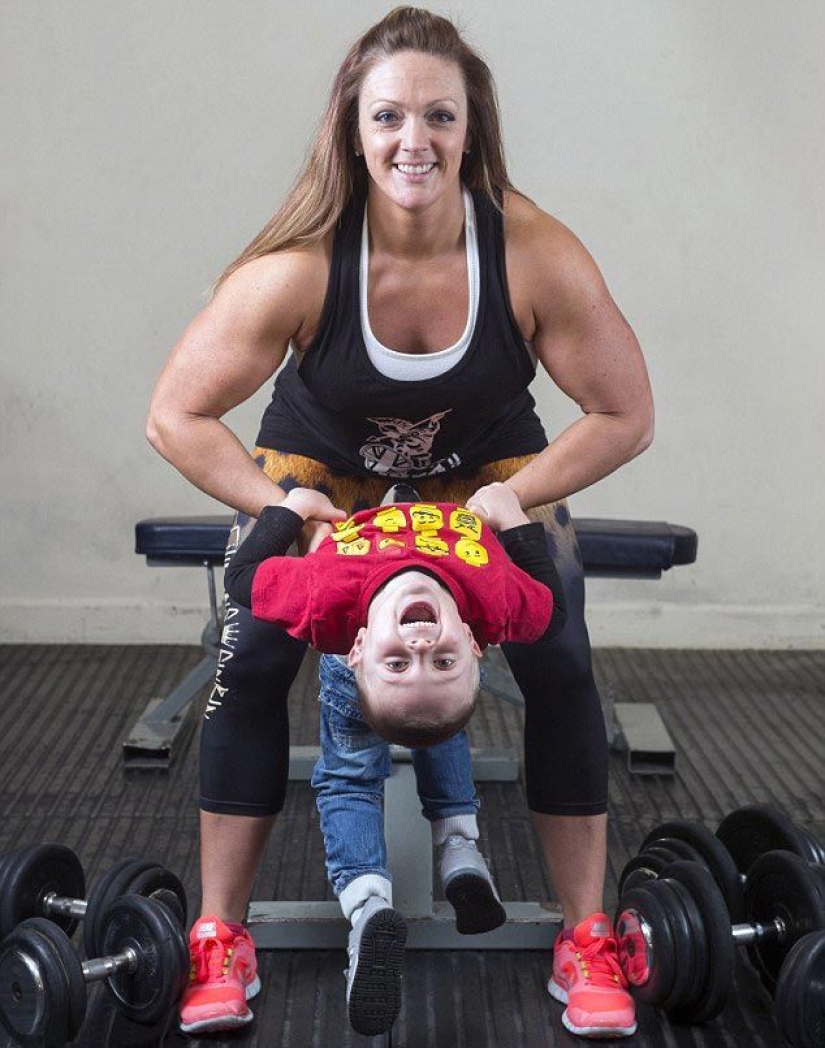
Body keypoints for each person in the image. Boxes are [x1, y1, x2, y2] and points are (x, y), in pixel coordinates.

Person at [146, 6, 654, 1039]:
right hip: (321, 469)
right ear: (352, 128)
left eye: (438, 115)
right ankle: (218, 936)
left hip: (491, 467)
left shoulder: (529, 253)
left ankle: (587, 933)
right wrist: (277, 503)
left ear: (473, 128)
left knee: (559, 654)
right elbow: (174, 414)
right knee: (251, 662)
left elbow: (626, 410)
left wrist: (514, 498)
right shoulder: (299, 267)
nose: (412, 140)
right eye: (387, 117)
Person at [223, 480, 566, 1034]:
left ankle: (365, 906)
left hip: (349, 672)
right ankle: (459, 849)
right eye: (445, 657)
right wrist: (513, 518)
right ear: (476, 643)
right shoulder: (489, 599)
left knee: (354, 777)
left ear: (358, 648)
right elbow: (553, 610)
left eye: (400, 661)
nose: (423, 648)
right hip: (425, 641)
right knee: (436, 714)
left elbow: (243, 580)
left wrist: (292, 511)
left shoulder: (324, 592)